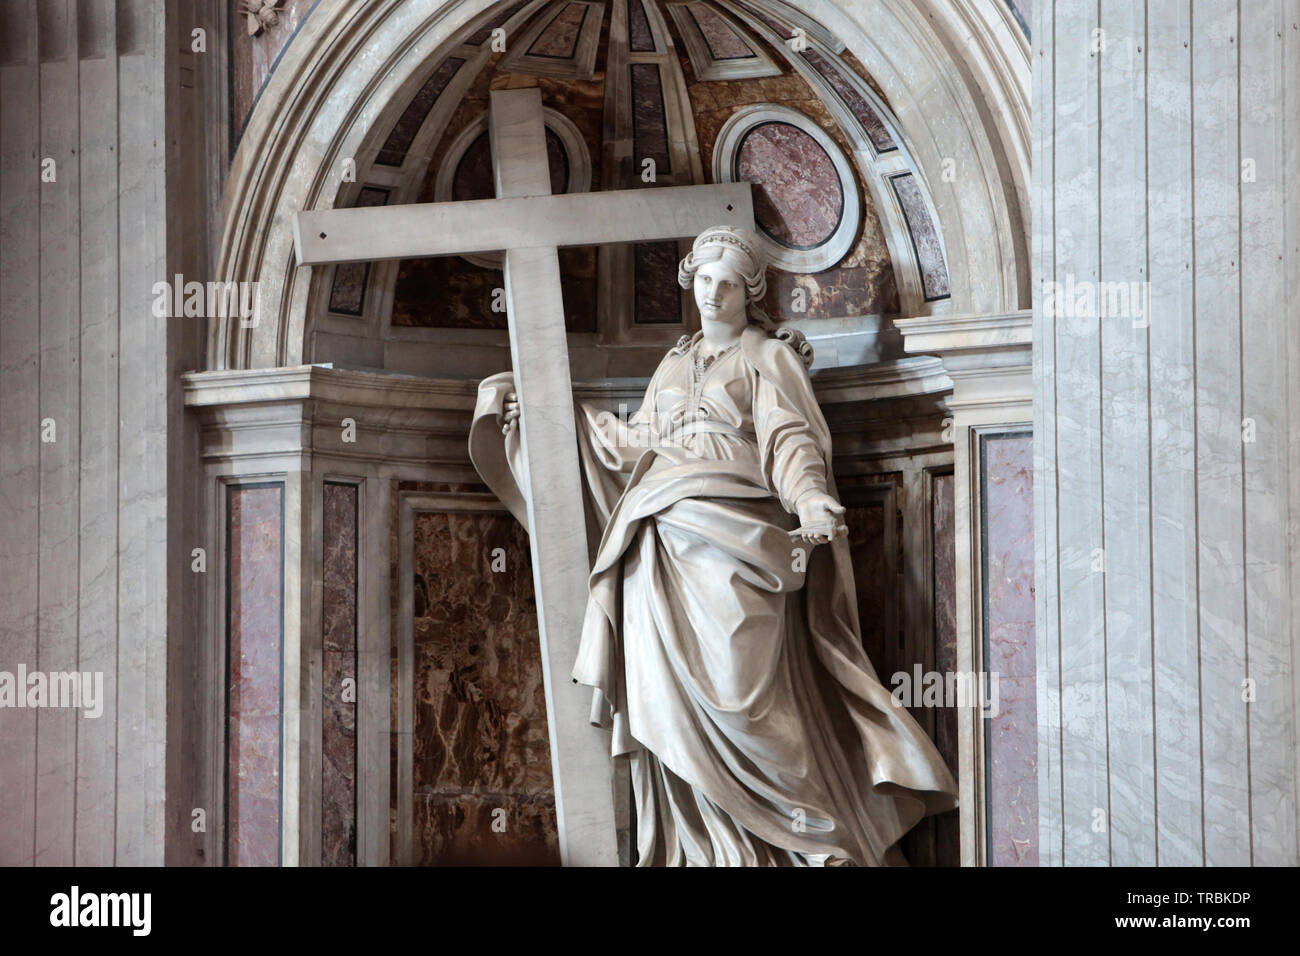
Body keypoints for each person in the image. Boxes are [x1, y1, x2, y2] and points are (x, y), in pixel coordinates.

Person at [470, 225, 957, 865]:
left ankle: (811, 839)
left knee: (748, 697)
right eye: (703, 278)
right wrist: (546, 417)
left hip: (736, 539)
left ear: (749, 291)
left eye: (727, 282)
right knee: (665, 705)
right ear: (690, 281)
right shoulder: (673, 362)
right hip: (657, 542)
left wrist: (812, 501)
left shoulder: (767, 355)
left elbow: (790, 440)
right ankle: (701, 852)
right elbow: (631, 443)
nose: (712, 292)